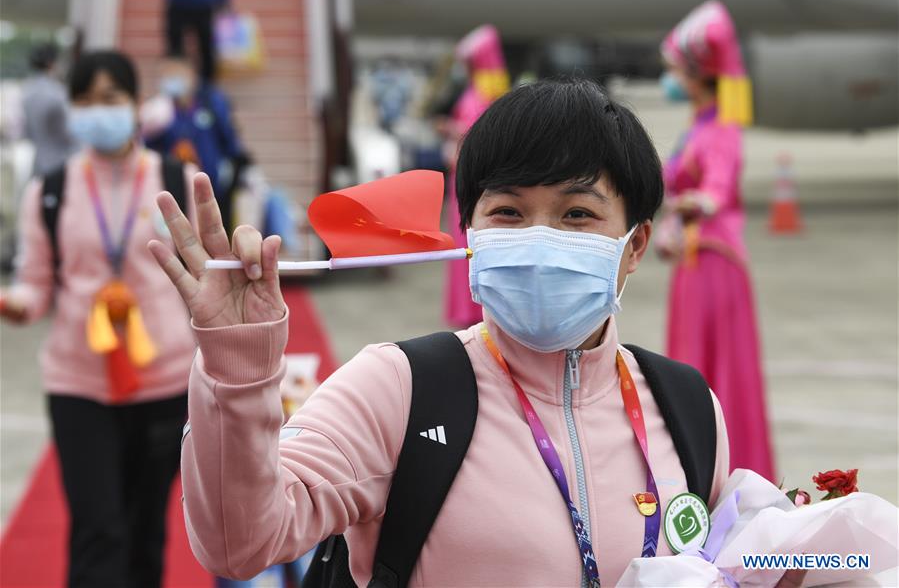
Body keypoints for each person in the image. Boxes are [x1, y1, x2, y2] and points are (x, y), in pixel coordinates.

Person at [150, 78, 733, 586]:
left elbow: (726, 562)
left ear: (634, 246)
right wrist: (236, 370)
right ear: (469, 237)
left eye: (576, 214)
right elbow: (239, 544)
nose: (537, 238)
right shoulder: (398, 389)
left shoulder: (686, 407)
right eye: (507, 211)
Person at [0, 51, 196, 588]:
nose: (96, 111)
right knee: (97, 527)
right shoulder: (51, 190)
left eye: (110, 99)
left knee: (145, 529)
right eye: (84, 101)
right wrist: (15, 303)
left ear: (137, 107)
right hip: (78, 383)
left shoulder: (177, 181)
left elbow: (207, 279)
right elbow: (35, 283)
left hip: (164, 381)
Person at [657, 0, 776, 481]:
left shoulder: (721, 128)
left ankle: (727, 464)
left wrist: (684, 208)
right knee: (694, 362)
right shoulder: (698, 125)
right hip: (692, 259)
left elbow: (716, 194)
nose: (671, 80)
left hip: (714, 262)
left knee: (714, 368)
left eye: (677, 72)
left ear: (696, 75)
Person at [442, 24, 510, 328]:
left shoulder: (486, 93)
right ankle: (468, 308)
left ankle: (473, 308)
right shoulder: (481, 90)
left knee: (473, 240)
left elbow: (481, 138)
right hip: (462, 180)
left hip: (473, 181)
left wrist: (455, 135)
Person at [145, 53, 245, 231]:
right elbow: (148, 147)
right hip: (174, 189)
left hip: (213, 188)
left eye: (175, 74)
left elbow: (229, 139)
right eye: (165, 75)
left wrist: (233, 169)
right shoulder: (160, 112)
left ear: (190, 75)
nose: (171, 80)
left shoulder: (211, 104)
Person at [21, 43, 77, 177]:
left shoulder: (27, 90)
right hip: (60, 163)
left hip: (38, 160)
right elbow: (68, 133)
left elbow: (27, 131)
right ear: (52, 63)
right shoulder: (57, 93)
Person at [165, 0, 229, 82]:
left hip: (203, 5)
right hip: (178, 3)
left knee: (206, 47)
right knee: (175, 48)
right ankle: (174, 80)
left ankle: (208, 82)